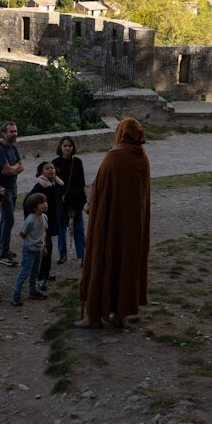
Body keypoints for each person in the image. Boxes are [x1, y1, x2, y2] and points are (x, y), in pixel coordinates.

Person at [75, 118, 151, 329]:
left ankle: (94, 317)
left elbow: (100, 189)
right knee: (126, 263)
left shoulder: (113, 157)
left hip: (109, 223)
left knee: (102, 259)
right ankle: (120, 314)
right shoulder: (142, 158)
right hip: (132, 226)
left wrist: (91, 207)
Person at [27, 161, 63, 291]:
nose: (51, 170)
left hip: (52, 220)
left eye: (52, 168)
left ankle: (44, 273)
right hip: (42, 223)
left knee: (48, 248)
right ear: (41, 172)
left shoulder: (56, 184)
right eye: (47, 168)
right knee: (45, 248)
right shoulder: (39, 187)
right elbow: (29, 201)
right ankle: (43, 275)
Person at [0, 122, 25, 267]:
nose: (14, 134)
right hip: (2, 189)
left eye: (15, 131)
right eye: (11, 131)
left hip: (13, 187)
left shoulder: (13, 148)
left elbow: (21, 166)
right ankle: (3, 253)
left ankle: (1, 249)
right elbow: (6, 171)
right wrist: (15, 167)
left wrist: (14, 168)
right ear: (3, 133)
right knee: (9, 220)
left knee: (6, 220)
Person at [52, 136, 87, 264]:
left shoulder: (77, 162)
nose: (67, 148)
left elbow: (81, 182)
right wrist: (62, 196)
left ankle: (83, 255)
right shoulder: (55, 163)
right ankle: (62, 254)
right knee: (62, 227)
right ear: (60, 147)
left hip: (75, 198)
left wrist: (70, 195)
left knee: (78, 227)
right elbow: (54, 182)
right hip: (60, 199)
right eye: (65, 145)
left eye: (70, 146)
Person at [11, 192, 49, 307]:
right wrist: (31, 242)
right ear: (34, 207)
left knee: (35, 271)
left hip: (39, 249)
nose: (45, 204)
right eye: (41, 203)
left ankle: (33, 290)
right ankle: (16, 294)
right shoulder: (30, 219)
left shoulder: (44, 217)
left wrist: (44, 247)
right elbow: (22, 233)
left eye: (45, 202)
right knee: (25, 272)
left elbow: (44, 233)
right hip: (29, 250)